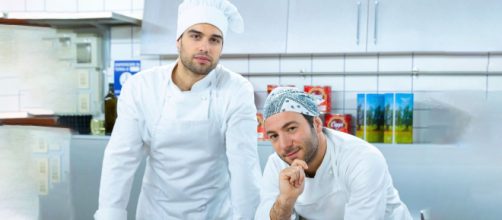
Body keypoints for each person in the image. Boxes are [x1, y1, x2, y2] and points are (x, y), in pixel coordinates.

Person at [94, 0, 261, 219]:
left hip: (213, 213)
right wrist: (110, 215)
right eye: (195, 36)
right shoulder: (142, 87)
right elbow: (121, 158)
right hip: (156, 212)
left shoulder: (237, 90)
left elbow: (244, 168)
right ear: (178, 41)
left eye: (214, 40)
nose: (204, 47)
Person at [255, 87, 412, 220]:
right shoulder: (277, 164)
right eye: (274, 136)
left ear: (316, 124)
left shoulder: (361, 159)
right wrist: (286, 200)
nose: (284, 145)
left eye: (291, 128)